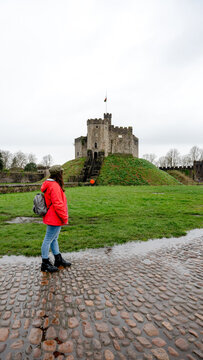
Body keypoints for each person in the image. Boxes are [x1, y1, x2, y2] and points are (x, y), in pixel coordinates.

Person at [40, 165, 71, 273]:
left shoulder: (50, 184)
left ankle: (58, 259)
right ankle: (45, 263)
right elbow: (58, 204)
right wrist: (64, 218)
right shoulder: (54, 186)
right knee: (48, 239)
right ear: (59, 174)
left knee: (53, 238)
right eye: (62, 172)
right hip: (55, 217)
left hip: (52, 216)